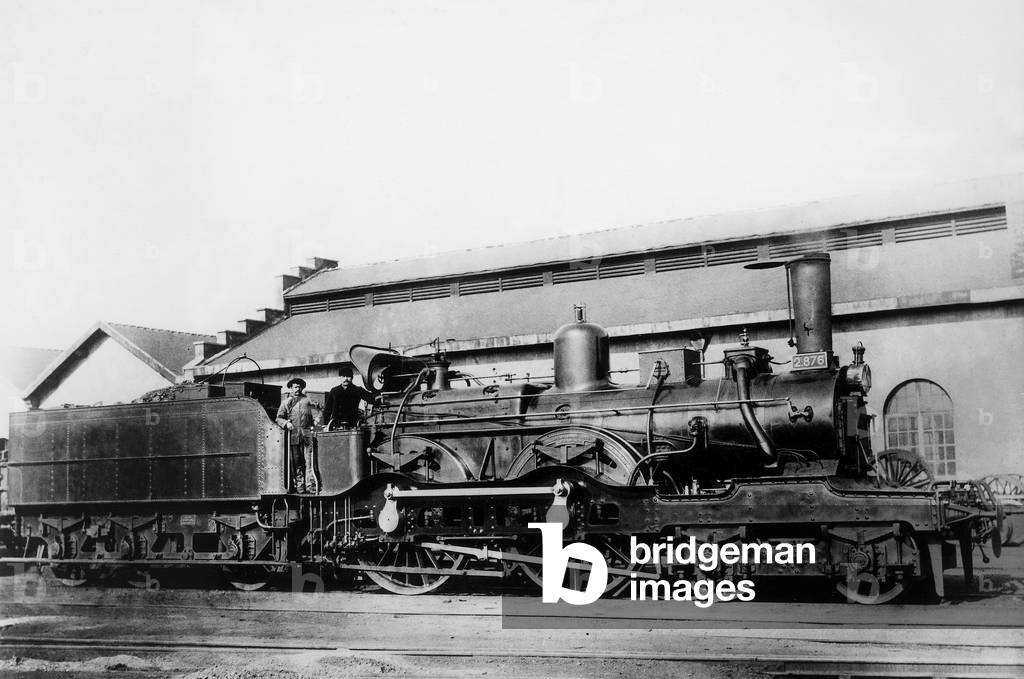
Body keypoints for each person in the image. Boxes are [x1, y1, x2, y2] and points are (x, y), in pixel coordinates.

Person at [276, 377, 322, 494]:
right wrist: (286, 423)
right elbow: (279, 418)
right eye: (295, 387)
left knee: (309, 462)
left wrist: (316, 422)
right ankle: (300, 486)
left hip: (307, 436)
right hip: (293, 436)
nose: (297, 389)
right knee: (297, 463)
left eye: (299, 386)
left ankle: (310, 486)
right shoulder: (286, 403)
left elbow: (320, 410)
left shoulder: (307, 401)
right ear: (291, 388)